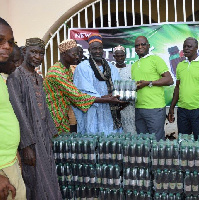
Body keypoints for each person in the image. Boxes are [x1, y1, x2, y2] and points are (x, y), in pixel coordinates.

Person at [7, 38, 62, 200]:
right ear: (24, 52)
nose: (38, 57)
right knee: (35, 180)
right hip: (30, 140)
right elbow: (18, 112)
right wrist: (26, 146)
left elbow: (44, 109)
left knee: (49, 175)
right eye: (34, 52)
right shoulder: (16, 76)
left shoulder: (38, 78)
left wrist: (52, 134)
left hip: (43, 136)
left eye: (41, 53)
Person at [44, 39, 124, 133]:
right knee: (55, 145)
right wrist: (106, 100)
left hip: (64, 116)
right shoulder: (57, 73)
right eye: (74, 54)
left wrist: (104, 97)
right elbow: (76, 96)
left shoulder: (67, 70)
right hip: (54, 116)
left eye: (78, 54)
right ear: (64, 54)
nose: (77, 57)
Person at [73, 34, 123, 135]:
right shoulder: (83, 67)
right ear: (89, 50)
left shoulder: (111, 67)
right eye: (94, 48)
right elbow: (82, 92)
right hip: (92, 111)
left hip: (110, 111)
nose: (98, 51)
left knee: (111, 142)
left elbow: (118, 87)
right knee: (93, 140)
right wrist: (104, 98)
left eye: (100, 48)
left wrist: (119, 96)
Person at [168, 37, 199, 140]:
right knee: (184, 142)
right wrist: (172, 107)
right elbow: (177, 87)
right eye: (184, 46)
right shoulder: (180, 65)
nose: (186, 49)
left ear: (196, 48)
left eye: (189, 46)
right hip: (182, 110)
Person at [0, 17, 26, 200]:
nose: (7, 46)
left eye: (10, 41)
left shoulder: (2, 79)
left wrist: (14, 153)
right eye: (0, 40)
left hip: (9, 162)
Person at [131, 36, 173, 141]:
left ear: (148, 46)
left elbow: (169, 80)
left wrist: (148, 83)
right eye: (137, 45)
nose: (140, 47)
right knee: (142, 142)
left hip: (154, 108)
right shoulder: (134, 65)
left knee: (157, 141)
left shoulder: (156, 59)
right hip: (138, 108)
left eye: (143, 44)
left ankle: (159, 158)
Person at [113, 45, 136, 133]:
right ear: (114, 57)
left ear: (125, 56)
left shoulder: (131, 68)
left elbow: (134, 85)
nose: (120, 58)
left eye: (122, 55)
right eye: (117, 56)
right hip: (114, 106)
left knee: (130, 130)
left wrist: (125, 102)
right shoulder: (111, 69)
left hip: (129, 106)